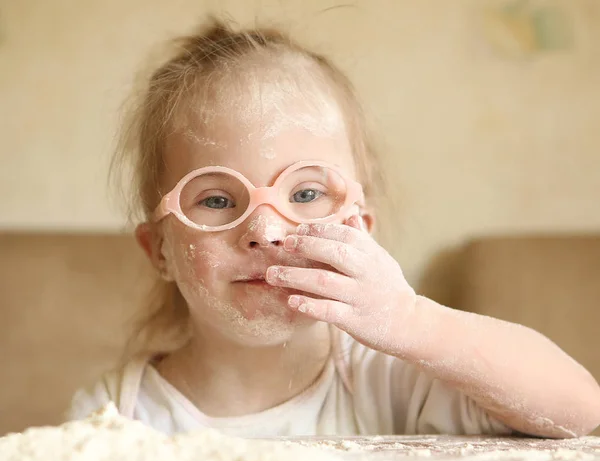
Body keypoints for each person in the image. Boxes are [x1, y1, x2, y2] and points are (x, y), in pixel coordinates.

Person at [68, 17, 600, 438]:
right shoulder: (115, 416)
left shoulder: (392, 381)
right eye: (215, 198)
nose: (266, 231)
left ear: (360, 230)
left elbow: (580, 410)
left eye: (304, 193)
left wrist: (414, 321)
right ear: (159, 248)